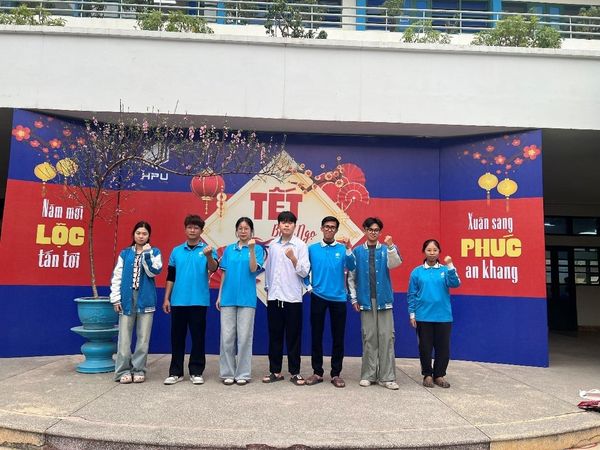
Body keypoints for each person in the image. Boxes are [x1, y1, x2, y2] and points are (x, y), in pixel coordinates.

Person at [162, 214, 218, 385]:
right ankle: (175, 372)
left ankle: (196, 371)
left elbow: (213, 268)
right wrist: (166, 298)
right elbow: (171, 276)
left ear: (201, 231)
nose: (193, 230)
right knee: (177, 338)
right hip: (178, 301)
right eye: (190, 227)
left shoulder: (208, 249)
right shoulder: (176, 251)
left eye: (196, 227)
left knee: (198, 338)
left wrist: (208, 256)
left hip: (199, 301)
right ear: (185, 229)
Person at [348, 217, 402, 390]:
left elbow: (395, 264)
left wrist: (391, 246)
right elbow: (351, 277)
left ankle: (387, 377)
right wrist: (354, 298)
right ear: (365, 230)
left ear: (380, 232)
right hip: (365, 300)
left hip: (383, 300)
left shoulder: (387, 249)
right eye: (370, 229)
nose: (373, 232)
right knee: (369, 337)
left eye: (376, 230)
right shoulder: (357, 251)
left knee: (387, 337)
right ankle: (368, 375)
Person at [305, 216, 355, 388]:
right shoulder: (312, 249)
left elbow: (352, 266)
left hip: (339, 298)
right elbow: (304, 270)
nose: (329, 229)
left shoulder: (342, 249)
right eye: (326, 226)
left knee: (338, 337)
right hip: (318, 297)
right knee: (316, 335)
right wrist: (308, 286)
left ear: (336, 230)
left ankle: (336, 374)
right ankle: (317, 372)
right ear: (321, 228)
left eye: (333, 227)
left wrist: (349, 248)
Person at [110, 221, 163, 384]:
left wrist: (146, 254)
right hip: (127, 298)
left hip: (146, 298)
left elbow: (154, 272)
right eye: (138, 233)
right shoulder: (125, 253)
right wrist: (115, 298)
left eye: (144, 234)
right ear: (133, 234)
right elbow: (117, 276)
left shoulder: (154, 252)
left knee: (143, 338)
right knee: (124, 338)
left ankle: (139, 369)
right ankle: (122, 371)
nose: (141, 236)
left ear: (149, 236)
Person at [262, 210, 310, 386]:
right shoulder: (273, 245)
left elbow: (304, 272)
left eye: (290, 222)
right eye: (283, 222)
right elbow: (269, 270)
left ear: (294, 226)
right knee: (274, 336)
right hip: (274, 297)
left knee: (293, 337)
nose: (286, 225)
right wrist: (269, 291)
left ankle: (295, 372)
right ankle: (275, 371)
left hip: (292, 298)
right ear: (279, 225)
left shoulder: (301, 245)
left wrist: (293, 258)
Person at [216, 217, 265, 386]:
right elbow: (224, 273)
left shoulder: (257, 249)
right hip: (228, 297)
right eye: (240, 228)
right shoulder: (229, 250)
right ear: (236, 231)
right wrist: (220, 295)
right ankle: (227, 372)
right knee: (227, 337)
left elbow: (253, 269)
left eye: (246, 228)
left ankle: (243, 373)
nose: (243, 231)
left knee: (244, 338)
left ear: (252, 231)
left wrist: (251, 249)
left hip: (247, 299)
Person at [407, 239, 461, 389]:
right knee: (425, 347)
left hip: (443, 316)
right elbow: (411, 294)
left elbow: (455, 283)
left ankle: (439, 375)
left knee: (443, 348)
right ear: (424, 252)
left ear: (439, 252)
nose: (432, 253)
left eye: (435, 250)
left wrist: (450, 265)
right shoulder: (417, 272)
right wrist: (412, 314)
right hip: (423, 316)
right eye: (429, 250)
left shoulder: (445, 270)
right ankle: (427, 375)